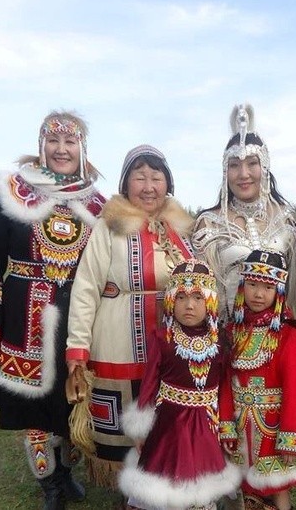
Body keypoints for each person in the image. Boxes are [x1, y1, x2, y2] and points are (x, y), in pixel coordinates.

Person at [0, 110, 106, 509]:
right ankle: (48, 482)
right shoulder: (14, 190)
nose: (61, 149)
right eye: (54, 140)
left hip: (77, 320)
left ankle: (66, 473)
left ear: (82, 148)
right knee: (32, 405)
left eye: (70, 142)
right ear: (40, 145)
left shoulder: (97, 203)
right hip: (22, 316)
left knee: (71, 400)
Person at [66, 144, 195, 492]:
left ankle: (167, 480)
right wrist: (77, 348)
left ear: (168, 184)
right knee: (123, 426)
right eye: (140, 177)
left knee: (169, 416)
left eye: (156, 177)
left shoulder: (181, 229)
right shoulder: (108, 227)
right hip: (117, 343)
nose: (149, 186)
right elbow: (86, 288)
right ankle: (127, 491)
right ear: (126, 184)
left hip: (171, 344)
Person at [118, 259, 242, 510]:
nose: (189, 305)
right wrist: (141, 427)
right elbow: (150, 383)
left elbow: (226, 387)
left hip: (206, 425)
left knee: (200, 483)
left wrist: (227, 425)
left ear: (210, 302)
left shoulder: (222, 341)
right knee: (163, 481)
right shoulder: (162, 338)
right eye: (182, 297)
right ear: (171, 301)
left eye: (198, 297)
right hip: (169, 424)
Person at [192, 103, 296, 321]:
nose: (243, 174)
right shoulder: (209, 223)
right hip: (228, 339)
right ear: (226, 172)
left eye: (251, 163)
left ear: (264, 167)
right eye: (234, 165)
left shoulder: (286, 219)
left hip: (280, 340)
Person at [219, 249, 296, 510]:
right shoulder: (230, 332)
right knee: (239, 488)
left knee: (277, 486)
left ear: (279, 292)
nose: (258, 294)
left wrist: (291, 438)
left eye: (267, 287)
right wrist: (226, 424)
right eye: (252, 285)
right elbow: (225, 384)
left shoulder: (290, 337)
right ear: (242, 286)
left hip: (273, 429)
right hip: (239, 428)